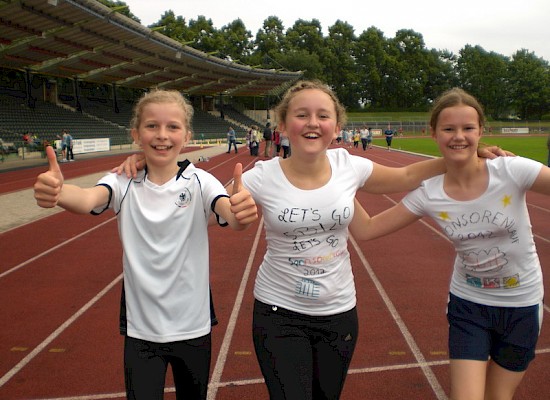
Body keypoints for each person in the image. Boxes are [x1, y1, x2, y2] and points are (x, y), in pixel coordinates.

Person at [114, 81, 508, 400]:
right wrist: (148, 162)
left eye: (323, 115)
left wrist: (463, 154)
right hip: (279, 311)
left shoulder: (348, 166)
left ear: (337, 126)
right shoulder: (260, 176)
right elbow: (210, 199)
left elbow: (405, 178)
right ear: (284, 125)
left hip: (339, 312)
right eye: (302, 115)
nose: (313, 123)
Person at [33, 89, 258, 400]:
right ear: (136, 134)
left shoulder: (201, 181)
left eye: (173, 127)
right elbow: (87, 200)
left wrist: (241, 212)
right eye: (152, 126)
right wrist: (56, 193)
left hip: (193, 327)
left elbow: (229, 213)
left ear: (187, 135)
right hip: (142, 331)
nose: (162, 135)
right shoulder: (122, 182)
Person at [350, 88, 549, 400]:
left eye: (468, 128)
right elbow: (367, 229)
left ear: (482, 131)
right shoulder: (430, 193)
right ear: (434, 134)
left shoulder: (512, 170)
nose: (459, 136)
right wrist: (337, 184)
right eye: (449, 128)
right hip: (470, 306)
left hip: (521, 305)